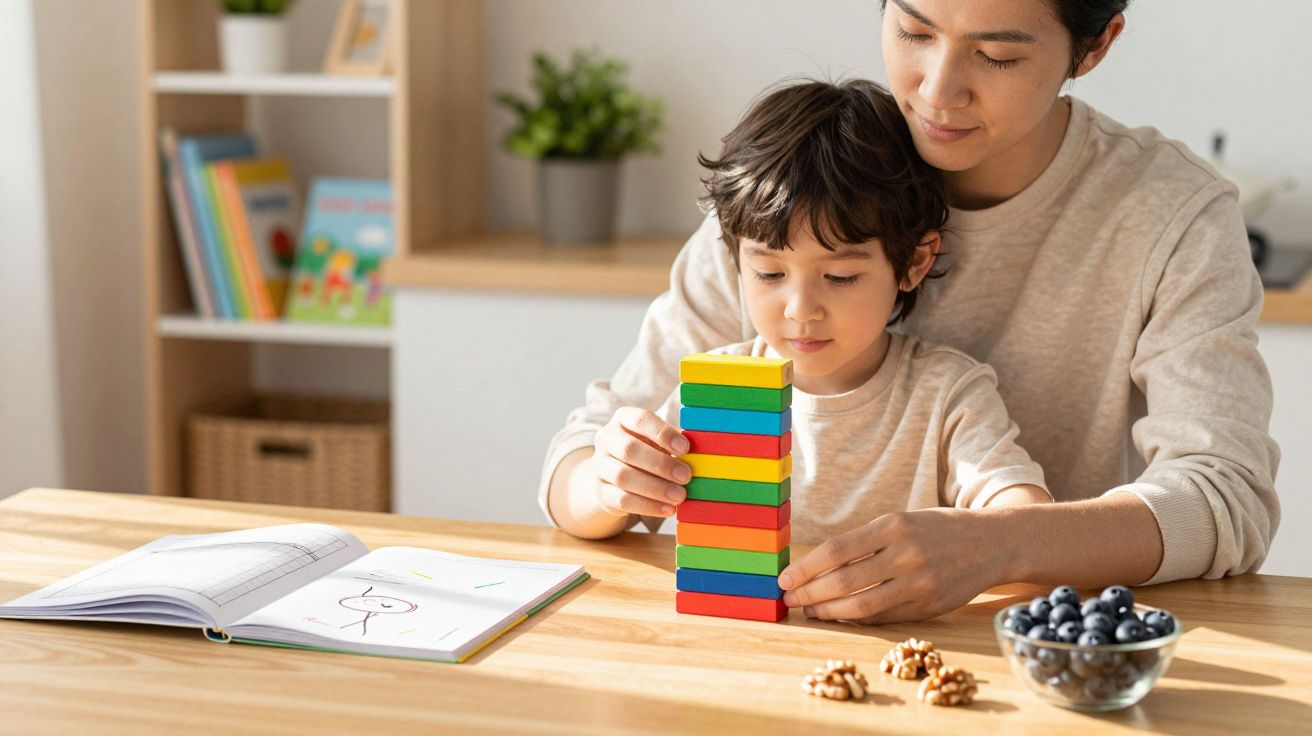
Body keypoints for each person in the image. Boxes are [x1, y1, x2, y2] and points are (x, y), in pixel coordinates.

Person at [539, 0, 1281, 624]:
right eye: (915, 32)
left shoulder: (1172, 214)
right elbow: (582, 455)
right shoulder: (789, 191)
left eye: (996, 55)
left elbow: (1226, 497)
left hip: (1012, 653)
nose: (937, 90)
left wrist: (1002, 545)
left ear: (1095, 47)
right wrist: (611, 478)